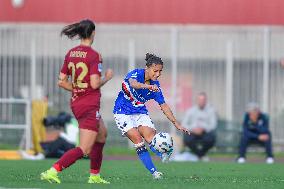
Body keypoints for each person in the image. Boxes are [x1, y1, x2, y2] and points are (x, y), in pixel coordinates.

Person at [40, 19, 113, 184]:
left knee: (102, 134)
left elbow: (61, 81)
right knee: (84, 149)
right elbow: (94, 83)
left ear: (80, 34)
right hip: (89, 104)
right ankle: (52, 171)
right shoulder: (94, 55)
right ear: (93, 33)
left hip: (77, 102)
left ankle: (94, 176)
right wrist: (106, 78)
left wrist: (79, 89)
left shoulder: (71, 53)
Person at [113, 53, 189, 179]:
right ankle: (155, 172)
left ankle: (163, 152)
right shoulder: (136, 74)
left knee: (151, 139)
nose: (158, 74)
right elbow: (133, 84)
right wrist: (148, 86)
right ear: (147, 68)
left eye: (160, 71)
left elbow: (163, 105)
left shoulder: (156, 86)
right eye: (155, 71)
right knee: (138, 140)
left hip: (140, 112)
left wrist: (176, 123)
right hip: (122, 112)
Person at [182, 92, 217, 161]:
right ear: (197, 101)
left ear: (206, 101)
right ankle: (201, 155)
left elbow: (213, 125)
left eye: (203, 100)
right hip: (192, 132)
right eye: (200, 100)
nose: (202, 101)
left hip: (205, 132)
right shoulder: (190, 111)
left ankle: (199, 155)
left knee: (211, 139)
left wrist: (203, 129)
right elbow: (184, 124)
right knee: (187, 139)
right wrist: (193, 129)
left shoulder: (211, 111)